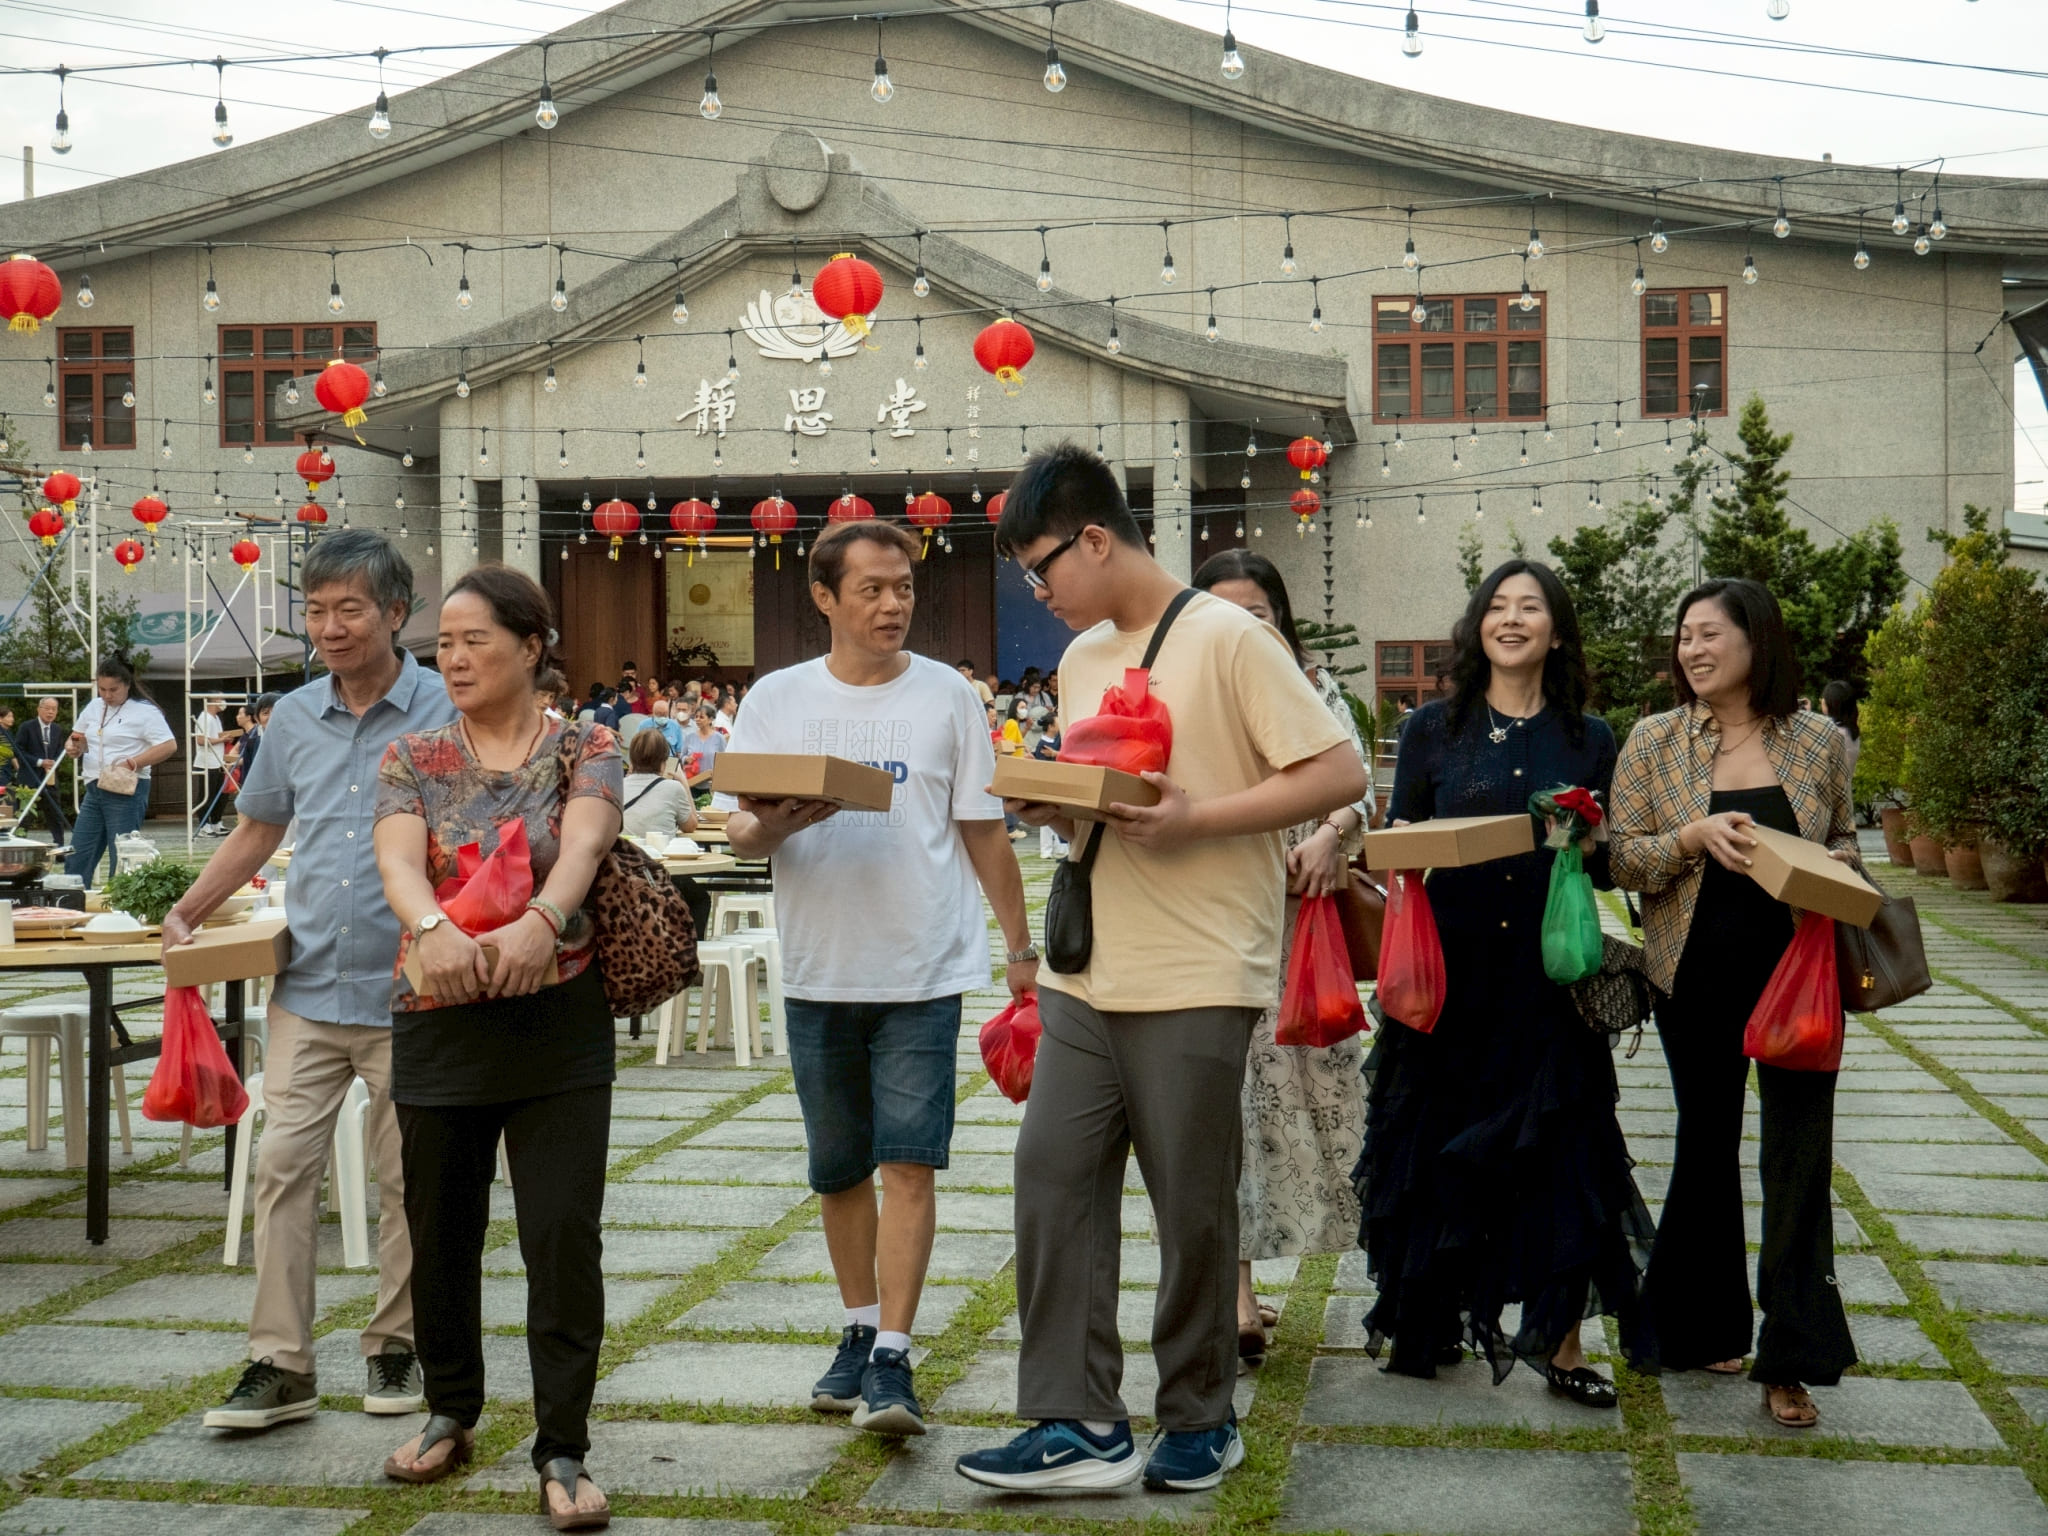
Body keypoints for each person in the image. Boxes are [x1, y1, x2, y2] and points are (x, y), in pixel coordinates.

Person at [961, 445, 1364, 1494]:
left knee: (1188, 1200)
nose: (1038, 595)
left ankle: (1197, 1414)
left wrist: (1197, 819)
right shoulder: (1082, 658)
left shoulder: (1228, 637)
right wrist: (1057, 801)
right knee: (1050, 1177)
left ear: (1096, 537)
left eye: (1042, 569)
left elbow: (1336, 770)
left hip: (1198, 964)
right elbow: (1117, 791)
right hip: (1087, 963)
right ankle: (1075, 1419)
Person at [720, 519, 1034, 1442]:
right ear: (824, 597)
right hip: (821, 966)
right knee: (838, 1166)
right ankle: (856, 1327)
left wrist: (1020, 947)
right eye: (872, 589)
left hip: (921, 966)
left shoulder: (948, 698)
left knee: (909, 1161)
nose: (894, 603)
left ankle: (895, 1350)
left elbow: (983, 830)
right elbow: (738, 829)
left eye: (903, 587)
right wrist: (779, 823)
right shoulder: (778, 698)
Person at [173, 533, 453, 1432]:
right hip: (308, 987)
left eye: (349, 610)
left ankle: (397, 1344)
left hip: (414, 991)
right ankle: (279, 1363)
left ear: (397, 614)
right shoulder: (291, 719)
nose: (328, 628)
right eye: (316, 611)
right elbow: (258, 829)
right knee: (282, 1166)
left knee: (406, 1175)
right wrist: (190, 908)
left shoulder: (446, 710)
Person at [1355, 560, 1651, 1407]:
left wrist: (1584, 835)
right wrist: (1410, 837)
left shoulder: (1588, 735)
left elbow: (1605, 857)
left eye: (1532, 608)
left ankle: (1563, 1344)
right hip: (1450, 972)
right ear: (1477, 627)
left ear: (1556, 631)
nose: (1512, 619)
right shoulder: (1432, 731)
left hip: (1548, 975)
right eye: (1498, 607)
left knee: (1566, 1147)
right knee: (1431, 1142)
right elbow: (1395, 838)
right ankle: (1427, 1316)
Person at [373, 564, 621, 1528]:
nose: (456, 655)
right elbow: (397, 855)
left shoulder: (585, 744)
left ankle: (562, 1448)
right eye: (445, 642)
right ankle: (450, 1410)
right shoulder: (414, 755)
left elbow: (591, 840)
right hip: (439, 1015)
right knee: (441, 1230)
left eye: (476, 638)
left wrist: (545, 919)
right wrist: (433, 930)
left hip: (557, 1024)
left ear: (531, 645)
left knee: (562, 1234)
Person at [1608, 577, 1858, 1430]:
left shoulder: (1820, 741)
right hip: (1694, 975)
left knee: (1798, 1157)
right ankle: (1701, 1327)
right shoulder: (1653, 741)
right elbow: (1621, 858)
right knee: (1704, 1144)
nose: (1693, 649)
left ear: (1757, 641)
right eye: (1684, 636)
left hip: (1799, 978)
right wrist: (1690, 837)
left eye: (1711, 633)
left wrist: (1845, 871)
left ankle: (1791, 1357)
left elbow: (1843, 838)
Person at [1192, 550, 1374, 1370]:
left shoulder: (1313, 686)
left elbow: (1358, 784)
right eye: (1225, 611)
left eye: (1257, 611)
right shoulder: (1188, 692)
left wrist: (1337, 833)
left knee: (1301, 1114)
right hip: (1217, 930)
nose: (1243, 626)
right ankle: (1231, 1299)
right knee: (1219, 1112)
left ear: (1281, 616)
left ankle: (1258, 1276)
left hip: (1306, 939)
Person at [62, 655, 176, 884]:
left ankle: (121, 907)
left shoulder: (145, 711)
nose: (107, 695)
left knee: (122, 854)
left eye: (113, 689)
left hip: (126, 789)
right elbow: (78, 736)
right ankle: (71, 901)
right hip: (95, 785)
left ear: (128, 684)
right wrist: (73, 746)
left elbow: (169, 745)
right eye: (102, 689)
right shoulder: (95, 706)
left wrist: (133, 763)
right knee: (79, 851)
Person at [622, 726, 712, 942]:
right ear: (664, 762)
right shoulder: (672, 788)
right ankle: (690, 959)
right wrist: (682, 782)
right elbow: (691, 825)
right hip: (662, 876)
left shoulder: (616, 786)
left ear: (631, 760)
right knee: (700, 899)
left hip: (621, 877)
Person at [16, 697, 71, 844]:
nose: (50, 712)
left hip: (50, 779)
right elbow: (18, 751)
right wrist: (40, 762)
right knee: (25, 816)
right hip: (29, 780)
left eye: (54, 709)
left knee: (55, 815)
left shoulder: (57, 729)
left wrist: (54, 763)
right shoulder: (27, 727)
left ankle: (59, 848)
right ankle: (18, 846)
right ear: (39, 709)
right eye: (47, 708)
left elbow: (60, 750)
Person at [193, 695, 229, 835]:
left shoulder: (216, 718)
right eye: (220, 699)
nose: (223, 702)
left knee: (219, 794)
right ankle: (204, 825)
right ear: (212, 701)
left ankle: (216, 822)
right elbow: (201, 740)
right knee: (206, 794)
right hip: (207, 762)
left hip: (218, 761)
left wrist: (224, 738)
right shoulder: (204, 717)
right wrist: (221, 739)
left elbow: (216, 737)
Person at [1819, 680, 1860, 790]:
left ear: (1832, 703)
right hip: (1844, 794)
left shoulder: (1833, 733)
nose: (1821, 700)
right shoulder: (1850, 730)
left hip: (1830, 797)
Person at [682, 704, 725, 778]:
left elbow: (724, 759)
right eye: (696, 717)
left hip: (711, 781)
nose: (697, 719)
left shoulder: (719, 738)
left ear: (710, 719)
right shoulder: (689, 737)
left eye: (701, 717)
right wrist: (686, 759)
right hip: (692, 781)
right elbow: (682, 756)